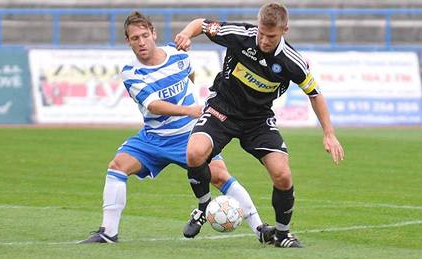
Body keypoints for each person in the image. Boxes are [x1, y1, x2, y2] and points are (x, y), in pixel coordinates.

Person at [79, 11, 275, 244]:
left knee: (221, 177)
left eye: (144, 35)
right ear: (127, 41)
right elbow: (153, 105)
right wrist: (188, 110)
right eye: (134, 38)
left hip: (189, 136)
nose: (141, 42)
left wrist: (190, 114)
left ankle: (260, 229)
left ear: (153, 33)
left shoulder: (177, 55)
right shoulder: (131, 71)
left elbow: (189, 74)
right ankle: (108, 232)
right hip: (153, 138)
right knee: (118, 166)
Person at [174, 2, 345, 248]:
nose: (264, 40)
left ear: (285, 30)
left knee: (282, 175)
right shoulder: (240, 35)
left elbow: (315, 93)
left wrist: (329, 134)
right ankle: (202, 207)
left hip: (257, 120)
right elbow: (201, 24)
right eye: (261, 33)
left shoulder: (292, 61)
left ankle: (283, 234)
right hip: (222, 108)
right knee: (194, 152)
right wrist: (186, 35)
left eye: (271, 36)